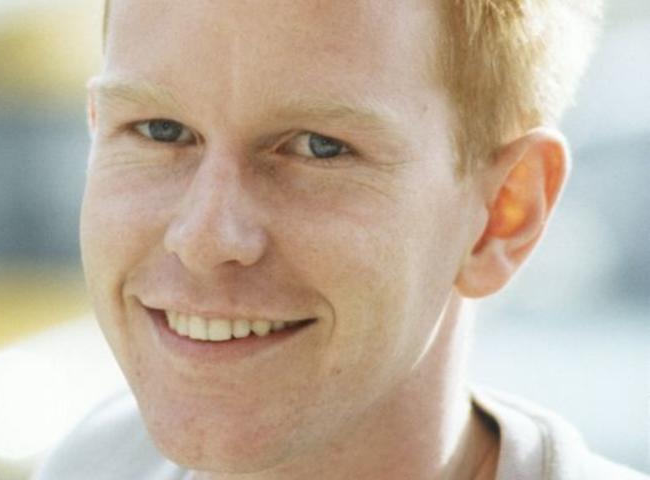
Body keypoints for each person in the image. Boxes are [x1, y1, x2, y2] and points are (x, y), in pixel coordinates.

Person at [37, 0, 647, 479]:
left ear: (502, 215)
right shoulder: (94, 462)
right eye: (159, 130)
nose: (203, 237)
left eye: (318, 147)